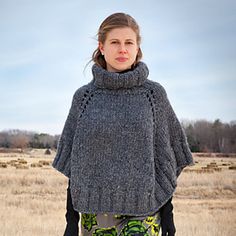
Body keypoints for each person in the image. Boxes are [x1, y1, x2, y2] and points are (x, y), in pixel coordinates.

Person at [52, 12, 194, 236]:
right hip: (94, 213)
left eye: (129, 42)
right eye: (114, 42)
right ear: (101, 46)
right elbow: (76, 166)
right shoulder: (84, 98)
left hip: (144, 212)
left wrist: (168, 215)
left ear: (137, 48)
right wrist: (71, 221)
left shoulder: (153, 96)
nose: (122, 49)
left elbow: (164, 159)